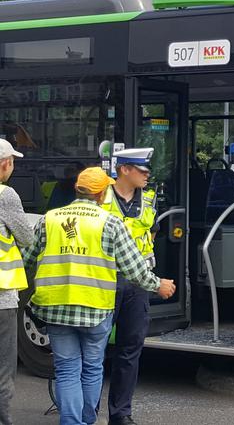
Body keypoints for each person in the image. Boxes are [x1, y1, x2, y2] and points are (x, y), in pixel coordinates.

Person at [22, 167, 176, 425]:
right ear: (101, 191)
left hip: (56, 307)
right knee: (92, 369)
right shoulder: (110, 223)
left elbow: (26, 259)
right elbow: (134, 268)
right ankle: (86, 420)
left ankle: (72, 422)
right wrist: (157, 284)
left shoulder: (50, 219)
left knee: (67, 369)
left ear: (76, 189)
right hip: (96, 309)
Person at [101, 148, 159, 425]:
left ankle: (121, 415)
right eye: (143, 171)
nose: (148, 176)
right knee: (94, 349)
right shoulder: (101, 196)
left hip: (137, 283)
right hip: (104, 279)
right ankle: (84, 412)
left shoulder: (148, 199)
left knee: (130, 348)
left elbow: (151, 233)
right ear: (124, 169)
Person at [0, 139, 32, 425]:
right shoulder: (5, 195)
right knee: (3, 366)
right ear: (4, 164)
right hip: (1, 298)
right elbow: (26, 237)